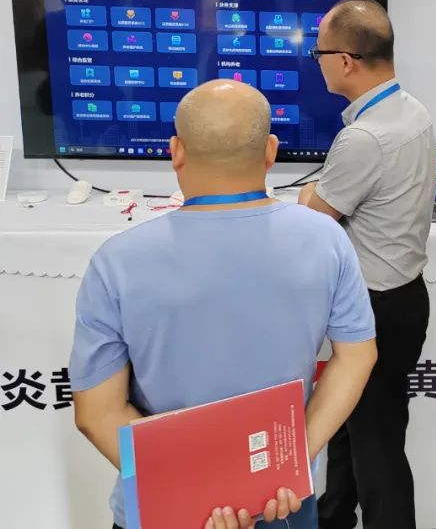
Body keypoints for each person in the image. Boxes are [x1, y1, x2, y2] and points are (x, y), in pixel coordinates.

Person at [70, 79, 378, 529]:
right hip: (282, 500)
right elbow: (356, 357)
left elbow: (96, 413)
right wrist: (288, 463)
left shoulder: (117, 260)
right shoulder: (325, 238)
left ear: (176, 151)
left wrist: (198, 490)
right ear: (271, 151)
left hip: (165, 505)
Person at [301, 0, 436, 529]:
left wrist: (312, 192)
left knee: (377, 447)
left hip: (375, 309)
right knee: (350, 428)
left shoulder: (363, 137)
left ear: (346, 61)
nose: (318, 63)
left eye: (319, 54)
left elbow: (314, 218)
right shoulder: (412, 110)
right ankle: (334, 516)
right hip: (403, 298)